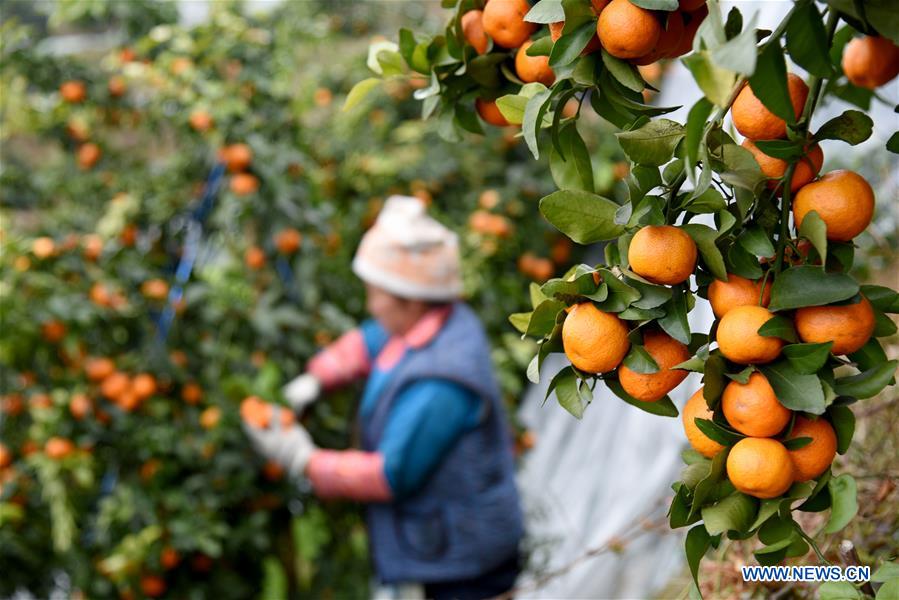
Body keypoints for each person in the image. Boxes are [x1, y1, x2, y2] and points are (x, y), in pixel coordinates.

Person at [243, 195, 524, 600]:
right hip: (440, 545)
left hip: (460, 565)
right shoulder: (433, 319)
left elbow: (390, 475)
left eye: (376, 294)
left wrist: (302, 460)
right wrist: (318, 378)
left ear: (409, 299)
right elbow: (370, 340)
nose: (370, 305)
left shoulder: (442, 380)